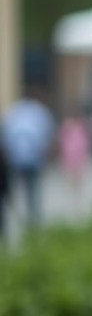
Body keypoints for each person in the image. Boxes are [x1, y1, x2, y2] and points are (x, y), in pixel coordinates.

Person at [1, 90, 56, 228]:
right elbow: (48, 133)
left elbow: (5, 136)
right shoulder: (39, 112)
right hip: (34, 158)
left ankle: (20, 218)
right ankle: (33, 219)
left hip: (16, 159)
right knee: (33, 190)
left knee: (16, 191)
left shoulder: (12, 112)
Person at [58, 112, 91, 217]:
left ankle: (78, 200)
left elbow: (84, 144)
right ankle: (74, 201)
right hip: (71, 160)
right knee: (73, 182)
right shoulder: (67, 130)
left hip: (77, 159)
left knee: (78, 182)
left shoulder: (79, 130)